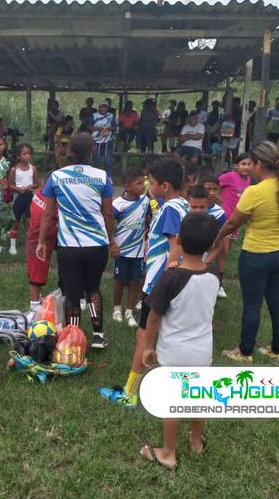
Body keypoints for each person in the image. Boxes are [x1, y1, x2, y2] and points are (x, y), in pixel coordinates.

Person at [99, 157, 189, 408]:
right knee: (168, 337)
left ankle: (130, 393)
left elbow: (176, 246)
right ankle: (176, 389)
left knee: (144, 337)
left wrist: (167, 277)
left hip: (159, 283)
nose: (149, 185)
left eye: (152, 182)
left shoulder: (170, 209)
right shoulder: (183, 204)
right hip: (172, 282)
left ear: (165, 186)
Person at [138, 212, 220, 471]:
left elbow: (153, 317)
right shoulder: (215, 273)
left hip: (174, 352)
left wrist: (148, 346)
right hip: (202, 350)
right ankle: (195, 441)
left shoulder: (171, 277)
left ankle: (168, 453)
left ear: (180, 240)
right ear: (211, 244)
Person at [218, 141, 279, 364]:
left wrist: (215, 239)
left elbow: (233, 224)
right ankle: (277, 351)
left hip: (256, 256)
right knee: (278, 303)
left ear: (259, 164)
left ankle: (245, 352)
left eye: (252, 164)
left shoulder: (254, 191)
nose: (250, 169)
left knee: (252, 305)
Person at [37, 132, 117, 349]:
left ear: (70, 150)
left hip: (69, 246)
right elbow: (108, 213)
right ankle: (98, 335)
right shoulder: (102, 177)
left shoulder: (57, 177)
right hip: (97, 245)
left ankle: (73, 337)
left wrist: (42, 241)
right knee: (93, 289)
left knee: (72, 293)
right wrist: (111, 240)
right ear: (91, 152)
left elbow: (48, 213)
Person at [112, 167, 152, 328]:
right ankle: (117, 309)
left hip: (138, 251)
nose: (143, 186)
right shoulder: (117, 205)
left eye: (143, 183)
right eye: (139, 183)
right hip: (121, 251)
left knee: (135, 281)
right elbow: (109, 225)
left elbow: (148, 220)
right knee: (119, 280)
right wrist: (113, 245)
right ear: (127, 186)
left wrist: (148, 233)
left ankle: (129, 311)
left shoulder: (145, 201)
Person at [214, 153, 252, 297]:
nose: (246, 167)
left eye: (249, 164)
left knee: (226, 251)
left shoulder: (248, 180)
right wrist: (217, 197)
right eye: (243, 164)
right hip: (225, 218)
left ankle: (216, 276)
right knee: (222, 250)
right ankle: (218, 284)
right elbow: (214, 183)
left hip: (236, 220)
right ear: (237, 165)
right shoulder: (229, 176)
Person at [26, 176, 58, 311]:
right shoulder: (51, 204)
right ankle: (34, 306)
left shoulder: (39, 193)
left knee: (36, 270)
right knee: (36, 272)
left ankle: (36, 300)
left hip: (39, 236)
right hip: (39, 238)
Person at [8, 144, 40, 256]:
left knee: (29, 221)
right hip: (18, 197)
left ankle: (30, 245)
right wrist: (18, 189)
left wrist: (31, 186)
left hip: (29, 196)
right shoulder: (14, 169)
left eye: (29, 154)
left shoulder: (33, 168)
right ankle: (12, 246)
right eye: (24, 154)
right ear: (18, 156)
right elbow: (10, 185)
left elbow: (37, 183)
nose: (27, 156)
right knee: (15, 221)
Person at [89, 100, 117, 176]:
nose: (104, 108)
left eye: (105, 107)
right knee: (96, 160)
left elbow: (115, 127)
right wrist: (99, 129)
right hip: (96, 140)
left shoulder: (111, 116)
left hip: (107, 140)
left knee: (108, 160)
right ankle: (95, 177)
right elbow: (89, 126)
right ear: (99, 107)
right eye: (102, 107)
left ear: (107, 108)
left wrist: (108, 128)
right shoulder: (94, 115)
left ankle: (108, 177)